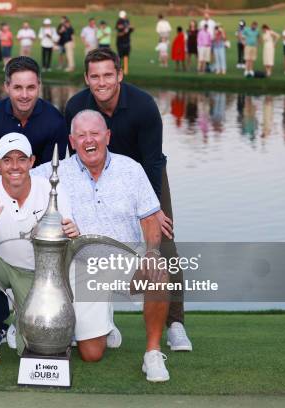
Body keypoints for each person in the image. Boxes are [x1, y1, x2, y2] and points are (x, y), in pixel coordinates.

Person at [0, 111, 172, 382]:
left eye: (95, 133)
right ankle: (102, 326)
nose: (89, 140)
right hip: (82, 267)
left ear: (108, 136)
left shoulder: (131, 169)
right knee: (91, 353)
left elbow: (149, 219)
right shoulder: (55, 171)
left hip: (125, 258)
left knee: (159, 274)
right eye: (81, 135)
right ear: (72, 141)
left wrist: (151, 253)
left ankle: (153, 353)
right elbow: (16, 168)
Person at [63, 48, 192, 354]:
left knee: (163, 244)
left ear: (119, 75)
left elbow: (151, 162)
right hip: (95, 175)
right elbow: (73, 157)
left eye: (108, 74)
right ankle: (93, 322)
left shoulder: (144, 106)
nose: (101, 82)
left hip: (143, 175)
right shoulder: (76, 106)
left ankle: (175, 324)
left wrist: (153, 208)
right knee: (85, 245)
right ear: (86, 78)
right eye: (94, 76)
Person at [0, 133, 79, 373]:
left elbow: (68, 241)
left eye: (21, 159)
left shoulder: (50, 189)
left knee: (34, 349)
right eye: (8, 159)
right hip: (0, 263)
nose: (15, 166)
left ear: (32, 161)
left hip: (38, 274)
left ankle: (18, 323)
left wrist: (72, 232)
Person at [0, 57, 69, 341]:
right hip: (1, 189)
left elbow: (56, 170)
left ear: (39, 86)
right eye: (17, 87)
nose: (24, 94)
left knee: (40, 250)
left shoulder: (54, 120)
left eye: (30, 87)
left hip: (37, 195)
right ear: (6, 87)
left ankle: (34, 316)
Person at [115, 10, 133, 75]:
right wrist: (124, 31)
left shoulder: (127, 21)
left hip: (127, 41)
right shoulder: (119, 21)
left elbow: (132, 28)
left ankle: (125, 70)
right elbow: (118, 30)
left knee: (126, 56)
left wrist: (130, 27)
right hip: (120, 42)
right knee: (120, 56)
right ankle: (119, 69)